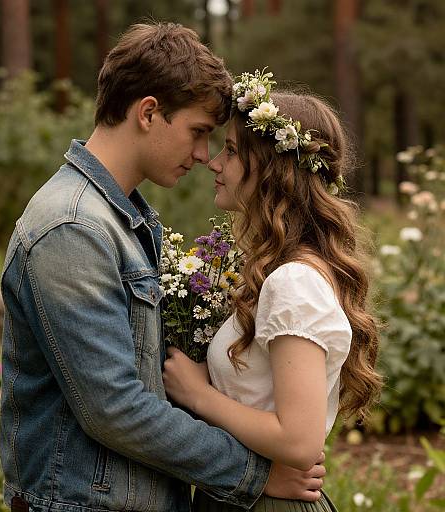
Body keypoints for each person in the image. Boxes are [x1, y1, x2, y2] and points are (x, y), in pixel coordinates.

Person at [0, 26, 326, 512]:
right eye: (198, 133)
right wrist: (254, 474)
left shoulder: (124, 220)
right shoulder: (72, 228)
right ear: (148, 112)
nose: (203, 155)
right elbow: (114, 409)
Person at [162, 70, 383, 511]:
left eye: (230, 150)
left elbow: (299, 442)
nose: (213, 162)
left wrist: (197, 394)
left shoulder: (293, 281)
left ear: (270, 168)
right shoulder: (278, 272)